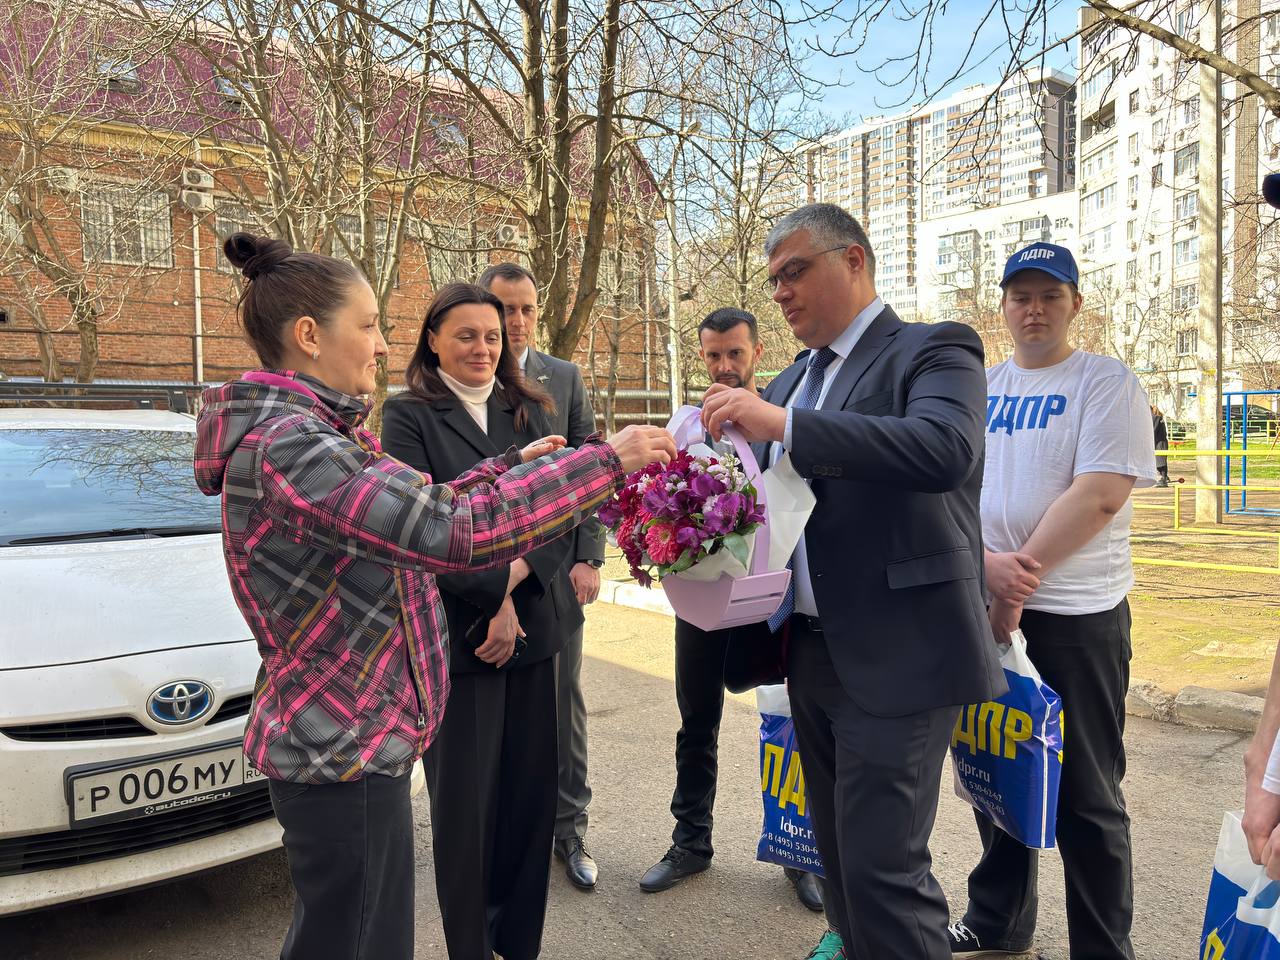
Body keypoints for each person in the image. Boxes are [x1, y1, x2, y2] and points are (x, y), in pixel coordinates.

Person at [193, 234, 675, 960]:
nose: (382, 345)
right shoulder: (296, 448)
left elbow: (416, 506)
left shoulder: (309, 436)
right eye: (368, 326)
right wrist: (604, 463)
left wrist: (507, 466)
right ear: (310, 336)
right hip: (340, 744)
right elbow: (449, 530)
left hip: (350, 739)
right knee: (358, 942)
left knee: (356, 936)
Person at [699, 203, 1005, 960]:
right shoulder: (791, 379)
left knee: (884, 877)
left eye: (796, 271)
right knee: (840, 868)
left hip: (902, 653)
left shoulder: (934, 348)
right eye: (774, 279)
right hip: (810, 651)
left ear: (855, 260)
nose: (781, 292)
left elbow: (942, 449)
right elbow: (767, 504)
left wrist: (781, 426)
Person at [947, 242, 1156, 960]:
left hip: (1076, 618)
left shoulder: (1106, 382)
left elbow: (1100, 495)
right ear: (1003, 306)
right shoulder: (981, 386)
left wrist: (1015, 583)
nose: (1033, 309)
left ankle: (1102, 947)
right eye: (1021, 296)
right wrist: (985, 573)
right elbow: (949, 489)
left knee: (1087, 795)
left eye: (1049, 296)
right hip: (985, 606)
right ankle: (998, 921)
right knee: (996, 771)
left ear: (1075, 304)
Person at [381, 283, 580, 960]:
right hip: (458, 641)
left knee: (528, 806)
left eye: (492, 336)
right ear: (433, 340)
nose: (483, 348)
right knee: (466, 812)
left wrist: (512, 585)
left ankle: (517, 944)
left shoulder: (530, 408)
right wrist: (492, 597)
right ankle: (469, 947)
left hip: (533, 632)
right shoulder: (408, 415)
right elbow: (419, 525)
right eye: (466, 335)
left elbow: (561, 509)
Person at [639, 307, 831, 924]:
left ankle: (800, 854)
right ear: (702, 356)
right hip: (700, 604)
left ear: (757, 353)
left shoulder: (779, 421)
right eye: (714, 355)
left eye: (735, 354)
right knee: (696, 723)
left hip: (771, 604)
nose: (724, 366)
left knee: (791, 725)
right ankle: (690, 842)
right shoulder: (686, 426)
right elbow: (658, 502)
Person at [479, 261, 605, 890]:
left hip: (557, 575)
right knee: (493, 711)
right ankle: (504, 833)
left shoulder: (564, 376)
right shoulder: (468, 381)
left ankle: (569, 828)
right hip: (484, 575)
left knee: (562, 707)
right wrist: (496, 591)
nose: (518, 320)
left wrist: (589, 555)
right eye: (505, 308)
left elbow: (591, 467)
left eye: (527, 308)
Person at [1152, 405, 1170, 486]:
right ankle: (1165, 477)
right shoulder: (1159, 418)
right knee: (1160, 461)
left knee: (1160, 461)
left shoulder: (1156, 418)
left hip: (1160, 443)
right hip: (1160, 442)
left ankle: (1164, 478)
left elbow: (1153, 431)